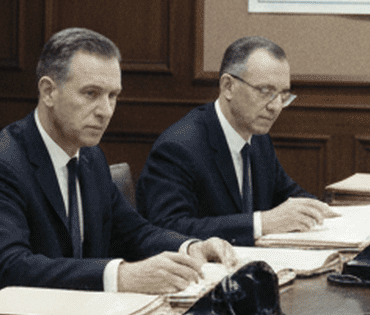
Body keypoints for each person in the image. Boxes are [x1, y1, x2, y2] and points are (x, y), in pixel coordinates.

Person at [0, 27, 236, 306]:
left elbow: (134, 233)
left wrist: (191, 247)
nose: (105, 111)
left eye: (113, 96)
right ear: (49, 91)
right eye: (91, 94)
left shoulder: (89, 156)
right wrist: (123, 276)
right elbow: (11, 269)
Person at [137, 36, 334, 244]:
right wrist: (261, 223)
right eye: (265, 92)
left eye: (283, 95)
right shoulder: (178, 147)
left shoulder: (258, 137)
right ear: (228, 86)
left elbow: (287, 193)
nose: (275, 106)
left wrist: (325, 213)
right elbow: (170, 227)